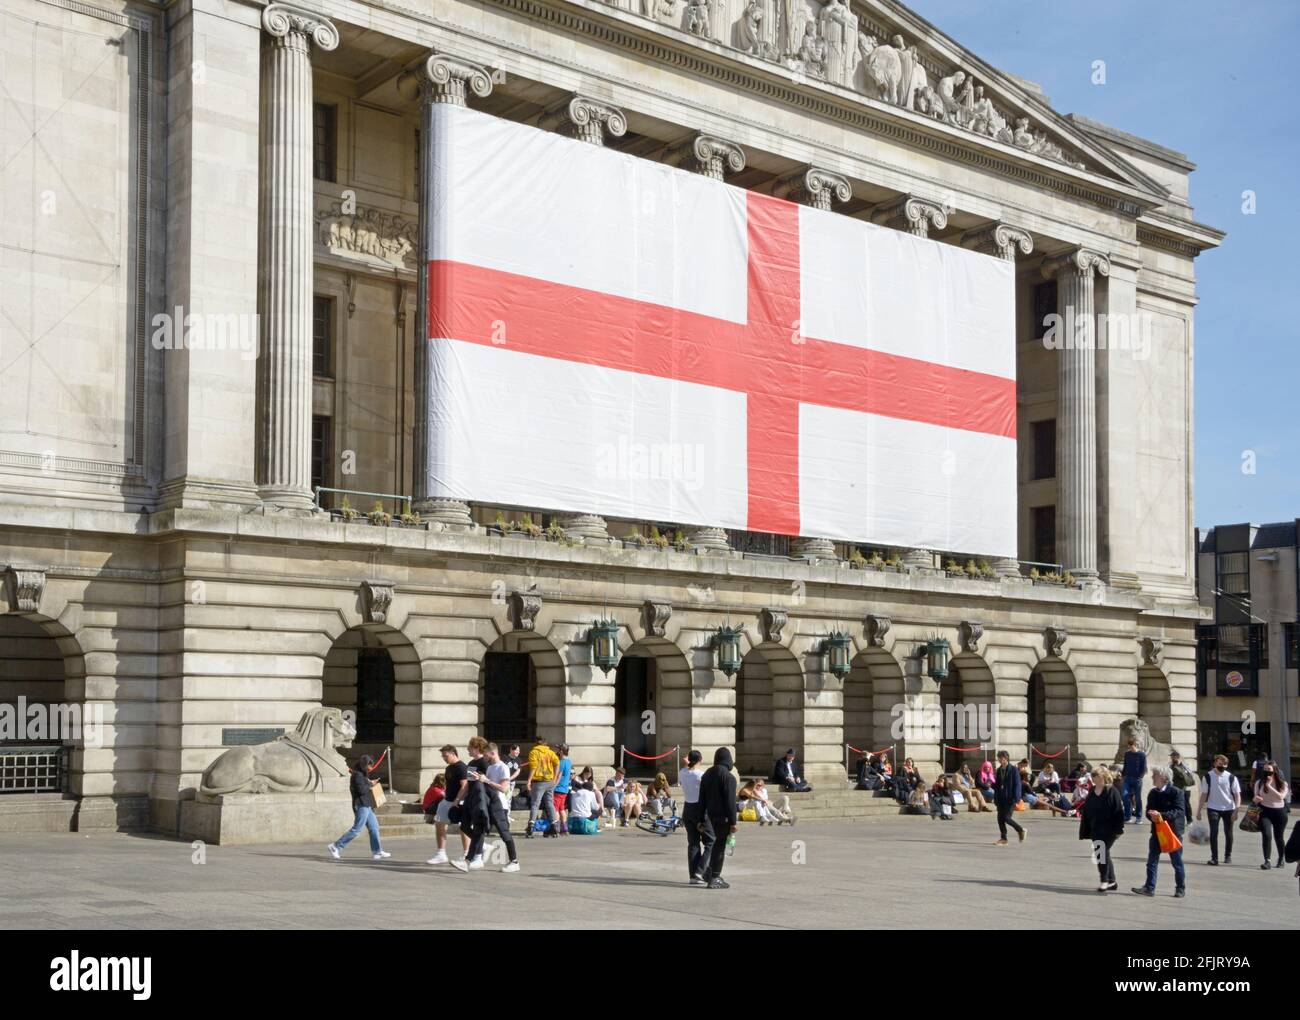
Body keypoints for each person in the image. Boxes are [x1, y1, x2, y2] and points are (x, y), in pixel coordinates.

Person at [454, 742, 520, 872]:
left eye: (486, 755)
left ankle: (514, 861)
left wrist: (486, 781)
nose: (484, 757)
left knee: (504, 833)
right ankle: (468, 861)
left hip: (500, 805)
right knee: (478, 830)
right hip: (487, 804)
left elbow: (504, 788)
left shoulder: (503, 767)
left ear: (493, 753)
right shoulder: (489, 768)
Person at [1131, 766, 1186, 898]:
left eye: (1155, 775)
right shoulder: (1153, 793)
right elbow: (1148, 811)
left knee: (1176, 862)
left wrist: (1160, 815)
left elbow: (1179, 811)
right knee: (1152, 861)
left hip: (1172, 832)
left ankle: (1180, 888)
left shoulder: (1176, 792)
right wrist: (1152, 816)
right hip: (1157, 831)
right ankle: (1149, 888)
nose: (1152, 777)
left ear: (1163, 777)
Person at [328, 754, 391, 860]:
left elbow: (363, 786)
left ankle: (377, 851)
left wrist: (369, 782)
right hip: (361, 805)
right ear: (364, 765)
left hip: (367, 805)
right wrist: (370, 785)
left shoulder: (362, 774)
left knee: (374, 828)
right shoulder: (357, 775)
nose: (370, 768)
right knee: (357, 829)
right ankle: (336, 846)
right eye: (369, 766)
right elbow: (361, 790)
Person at [1078, 767, 1124, 891]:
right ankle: (1112, 881)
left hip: (1110, 828)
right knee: (1103, 853)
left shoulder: (1111, 791)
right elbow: (1087, 808)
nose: (1094, 778)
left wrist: (1120, 829)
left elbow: (1118, 811)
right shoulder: (1092, 790)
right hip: (1095, 827)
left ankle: (1104, 880)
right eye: (1093, 776)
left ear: (1103, 777)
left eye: (1096, 776)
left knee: (1101, 852)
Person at [699, 747, 738, 889]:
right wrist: (733, 822)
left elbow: (701, 799)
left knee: (714, 845)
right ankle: (715, 877)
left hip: (710, 815)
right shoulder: (728, 777)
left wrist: (700, 819)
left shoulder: (707, 774)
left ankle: (709, 873)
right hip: (724, 818)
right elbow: (730, 802)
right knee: (720, 847)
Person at [427, 745, 470, 866]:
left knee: (464, 828)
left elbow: (464, 786)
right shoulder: (449, 768)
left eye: (446, 756)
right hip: (447, 800)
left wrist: (457, 800)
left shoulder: (462, 767)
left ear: (453, 754)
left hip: (459, 801)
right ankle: (441, 853)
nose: (444, 758)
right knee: (439, 823)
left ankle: (466, 853)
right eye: (443, 756)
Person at [1197, 754, 1241, 866]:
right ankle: (1214, 858)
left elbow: (1237, 795)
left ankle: (1228, 855)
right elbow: (1204, 794)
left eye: (1224, 764)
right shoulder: (1207, 776)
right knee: (1214, 832)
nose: (1222, 766)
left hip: (1229, 808)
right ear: (1215, 763)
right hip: (1213, 808)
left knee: (1228, 832)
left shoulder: (1231, 777)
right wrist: (1199, 810)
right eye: (1220, 763)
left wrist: (1236, 809)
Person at [679, 750, 712, 884]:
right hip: (700, 808)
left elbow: (687, 769)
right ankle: (701, 870)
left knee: (693, 843)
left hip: (688, 808)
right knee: (711, 841)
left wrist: (688, 764)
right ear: (701, 760)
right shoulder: (701, 775)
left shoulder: (682, 773)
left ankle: (693, 875)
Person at [1252, 760, 1290, 870]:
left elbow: (1281, 797)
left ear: (1274, 771)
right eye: (1264, 770)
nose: (1266, 772)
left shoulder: (1283, 783)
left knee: (1279, 837)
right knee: (1267, 835)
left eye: (1269, 770)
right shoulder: (1259, 783)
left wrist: (1269, 785)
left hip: (1279, 812)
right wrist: (1256, 799)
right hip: (1265, 811)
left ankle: (1281, 858)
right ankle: (1267, 861)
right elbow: (1255, 797)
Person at [525, 736, 561, 839]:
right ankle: (554, 825)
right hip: (549, 781)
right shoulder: (550, 752)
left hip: (539, 782)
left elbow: (533, 767)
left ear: (536, 743)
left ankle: (531, 826)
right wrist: (554, 777)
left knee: (535, 804)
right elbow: (557, 763)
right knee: (550, 803)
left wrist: (529, 781)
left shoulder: (534, 752)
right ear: (545, 743)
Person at [993, 750, 1025, 845]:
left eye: (1001, 758)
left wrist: (1017, 798)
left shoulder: (1013, 770)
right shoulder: (999, 770)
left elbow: (1017, 784)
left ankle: (1020, 830)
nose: (999, 759)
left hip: (1010, 799)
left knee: (1006, 818)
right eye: (998, 757)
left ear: (1006, 758)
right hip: (1001, 799)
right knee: (1000, 818)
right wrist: (996, 798)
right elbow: (997, 786)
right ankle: (1004, 838)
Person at [1120, 738, 1147, 823]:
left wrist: (1140, 776)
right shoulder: (1127, 754)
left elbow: (1144, 767)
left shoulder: (1142, 755)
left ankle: (1138, 817)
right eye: (1129, 747)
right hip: (1127, 778)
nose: (1130, 749)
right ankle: (1128, 816)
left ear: (1135, 745)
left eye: (1131, 747)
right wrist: (1123, 775)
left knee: (1138, 798)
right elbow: (1125, 765)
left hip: (1137, 779)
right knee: (1124, 795)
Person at [553, 743, 573, 836]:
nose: (557, 751)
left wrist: (552, 787)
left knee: (555, 809)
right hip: (565, 789)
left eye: (558, 749)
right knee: (562, 809)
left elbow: (558, 776)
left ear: (561, 751)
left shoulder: (560, 762)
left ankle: (556, 828)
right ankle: (564, 829)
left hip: (558, 788)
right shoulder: (569, 762)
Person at [1169, 750, 1196, 819]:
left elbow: (1190, 775)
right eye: (1171, 757)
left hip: (1185, 788)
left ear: (1177, 757)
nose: (1172, 759)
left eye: (1173, 757)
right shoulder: (1170, 766)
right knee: (1175, 804)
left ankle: (1189, 819)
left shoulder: (1185, 765)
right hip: (1175, 788)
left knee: (1186, 804)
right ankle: (1177, 818)